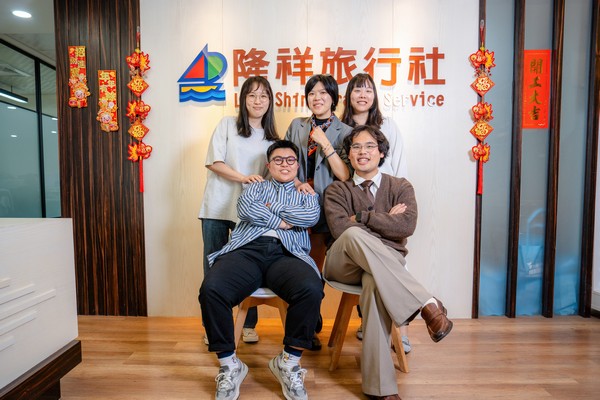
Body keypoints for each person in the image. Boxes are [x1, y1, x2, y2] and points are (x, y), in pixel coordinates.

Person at [323, 125, 453, 400]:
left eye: (370, 146)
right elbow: (341, 229)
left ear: (381, 153)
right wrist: (385, 222)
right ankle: (426, 303)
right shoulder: (337, 190)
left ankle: (379, 389)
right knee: (353, 235)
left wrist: (363, 217)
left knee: (374, 281)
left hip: (383, 267)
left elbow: (406, 226)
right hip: (343, 263)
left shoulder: (401, 186)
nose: (363, 152)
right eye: (356, 147)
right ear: (349, 155)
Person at [199, 140, 323, 400]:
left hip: (288, 254)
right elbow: (245, 208)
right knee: (212, 288)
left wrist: (268, 209)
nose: (284, 164)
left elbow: (310, 217)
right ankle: (229, 364)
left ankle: (288, 363)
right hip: (247, 251)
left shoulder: (307, 193)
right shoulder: (255, 186)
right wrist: (284, 220)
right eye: (278, 160)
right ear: (269, 165)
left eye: (290, 160)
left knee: (312, 288)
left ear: (297, 165)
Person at [198, 76, 279, 345]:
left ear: (270, 101)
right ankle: (213, 329)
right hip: (217, 208)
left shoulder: (272, 139)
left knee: (248, 267)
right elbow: (214, 162)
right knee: (213, 267)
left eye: (264, 96)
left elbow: (276, 176)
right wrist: (244, 177)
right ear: (243, 99)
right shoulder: (227, 125)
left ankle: (248, 324)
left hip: (250, 214)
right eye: (252, 95)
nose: (258, 101)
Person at [341, 73, 410, 352]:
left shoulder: (387, 125)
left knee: (391, 257)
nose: (362, 95)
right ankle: (370, 322)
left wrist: (398, 197)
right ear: (348, 96)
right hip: (356, 196)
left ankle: (401, 331)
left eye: (368, 90)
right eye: (357, 90)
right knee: (366, 258)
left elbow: (400, 164)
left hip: (386, 198)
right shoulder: (341, 127)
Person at [285, 74, 352, 349]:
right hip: (297, 206)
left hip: (327, 209)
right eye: (312, 93)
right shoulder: (297, 125)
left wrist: (325, 143)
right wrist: (297, 183)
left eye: (324, 93)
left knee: (316, 268)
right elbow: (284, 160)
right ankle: (309, 323)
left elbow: (345, 174)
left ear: (333, 98)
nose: (317, 98)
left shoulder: (345, 132)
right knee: (297, 268)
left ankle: (309, 326)